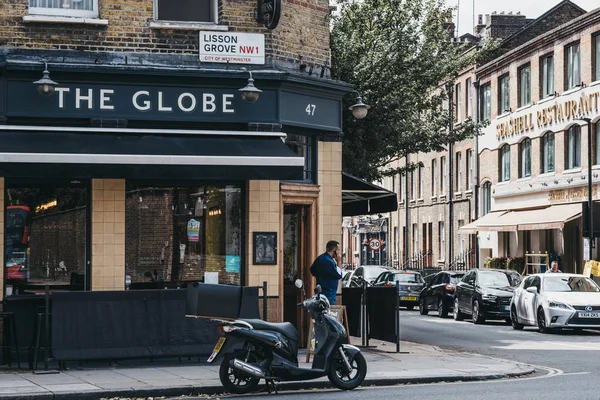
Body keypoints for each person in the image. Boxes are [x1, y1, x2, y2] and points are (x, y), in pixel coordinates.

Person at [310, 240, 343, 305]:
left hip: (320, 291)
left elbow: (312, 270)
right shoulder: (329, 262)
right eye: (338, 250)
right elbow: (339, 275)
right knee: (328, 312)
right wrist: (339, 261)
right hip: (329, 293)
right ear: (335, 250)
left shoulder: (320, 258)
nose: (339, 252)